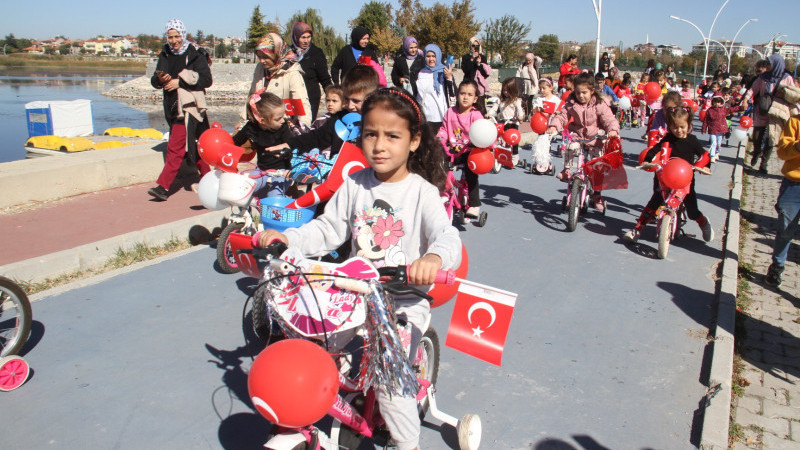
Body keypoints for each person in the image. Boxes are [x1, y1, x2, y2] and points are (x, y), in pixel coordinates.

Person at [256, 87, 461, 450]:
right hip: (351, 294)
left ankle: (407, 443)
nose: (379, 145)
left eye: (392, 136)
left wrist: (433, 260)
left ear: (413, 141)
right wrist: (291, 241)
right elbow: (328, 229)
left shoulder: (422, 193)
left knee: (389, 382)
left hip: (401, 300)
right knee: (313, 348)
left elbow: (447, 236)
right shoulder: (354, 184)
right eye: (371, 134)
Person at [623, 106, 713, 243]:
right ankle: (637, 229)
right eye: (674, 127)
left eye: (682, 127)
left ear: (688, 125)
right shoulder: (667, 139)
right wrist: (647, 160)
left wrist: (706, 167)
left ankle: (703, 223)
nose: (679, 130)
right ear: (670, 126)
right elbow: (654, 150)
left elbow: (704, 155)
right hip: (667, 178)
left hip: (686, 181)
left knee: (692, 210)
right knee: (654, 202)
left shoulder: (692, 140)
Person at [147, 18, 212, 202]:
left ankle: (163, 187)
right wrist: (160, 80)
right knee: (197, 146)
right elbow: (154, 80)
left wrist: (179, 82)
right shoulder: (165, 54)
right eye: (170, 37)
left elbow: (206, 80)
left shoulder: (195, 54)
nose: (174, 40)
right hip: (172, 106)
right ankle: (209, 179)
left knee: (175, 147)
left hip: (189, 108)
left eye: (177, 36)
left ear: (183, 35)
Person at [266, 64, 381, 158]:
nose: (350, 106)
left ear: (371, 97)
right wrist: (289, 145)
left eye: (356, 101)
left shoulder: (380, 122)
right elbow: (316, 137)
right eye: (346, 99)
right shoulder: (339, 119)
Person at [547, 73, 620, 210]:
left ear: (592, 91)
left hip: (595, 138)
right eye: (578, 92)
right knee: (570, 146)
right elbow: (562, 117)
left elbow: (609, 119)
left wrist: (613, 130)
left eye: (584, 92)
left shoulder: (599, 104)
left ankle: (597, 195)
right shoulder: (571, 103)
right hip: (578, 135)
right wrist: (554, 126)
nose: (581, 96)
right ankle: (567, 170)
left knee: (597, 165)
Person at [437, 80, 485, 218]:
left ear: (475, 99)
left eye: (470, 95)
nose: (465, 97)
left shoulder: (475, 115)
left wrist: (475, 143)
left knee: (471, 174)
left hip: (469, 151)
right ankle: (443, 192)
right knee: (439, 165)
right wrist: (440, 137)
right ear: (457, 95)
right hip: (453, 150)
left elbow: (481, 132)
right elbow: (444, 129)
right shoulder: (450, 112)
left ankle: (475, 203)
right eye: (462, 93)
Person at [232, 91, 294, 197]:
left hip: (282, 171)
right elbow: (234, 142)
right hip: (262, 170)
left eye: (283, 116)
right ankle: (246, 212)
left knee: (274, 195)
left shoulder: (283, 128)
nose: (282, 120)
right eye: (278, 118)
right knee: (243, 189)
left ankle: (281, 209)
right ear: (262, 120)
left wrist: (288, 154)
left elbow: (292, 145)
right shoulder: (251, 127)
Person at [246, 33, 313, 128]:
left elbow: (301, 104)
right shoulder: (260, 69)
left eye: (265, 57)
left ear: (276, 54)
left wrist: (303, 129)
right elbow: (251, 96)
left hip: (281, 127)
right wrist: (244, 120)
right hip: (260, 124)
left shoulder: (291, 72)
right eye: (259, 57)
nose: (262, 61)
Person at [763, 115, 800, 287]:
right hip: (794, 185)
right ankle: (777, 266)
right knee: (786, 228)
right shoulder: (795, 122)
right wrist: (797, 146)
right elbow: (782, 152)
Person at [744, 54, 795, 173]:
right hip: (762, 109)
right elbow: (752, 89)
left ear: (776, 64)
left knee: (771, 139)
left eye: (769, 64)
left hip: (777, 112)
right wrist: (746, 99)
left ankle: (764, 163)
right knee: (757, 136)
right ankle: (756, 152)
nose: (767, 66)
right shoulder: (763, 77)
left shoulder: (787, 78)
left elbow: (793, 95)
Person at [290, 22, 333, 121]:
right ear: (296, 37)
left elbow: (325, 78)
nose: (306, 41)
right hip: (293, 99)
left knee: (306, 127)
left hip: (311, 98)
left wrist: (331, 94)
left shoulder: (316, 53)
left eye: (308, 37)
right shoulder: (289, 53)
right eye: (303, 37)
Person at [411, 44, 454, 134]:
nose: (431, 59)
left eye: (433, 56)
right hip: (424, 117)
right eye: (428, 56)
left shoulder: (444, 71)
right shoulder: (420, 72)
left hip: (441, 117)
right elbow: (415, 93)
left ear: (438, 56)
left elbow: (453, 94)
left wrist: (449, 78)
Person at [488, 77, 525, 166]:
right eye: (504, 90)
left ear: (512, 90)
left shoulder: (516, 100)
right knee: (499, 138)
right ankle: (499, 153)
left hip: (512, 122)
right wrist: (489, 114)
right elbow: (494, 108)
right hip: (502, 122)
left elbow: (519, 110)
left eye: (507, 90)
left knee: (513, 140)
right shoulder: (500, 100)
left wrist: (520, 116)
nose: (505, 92)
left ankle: (515, 154)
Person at [702, 95, 742, 162]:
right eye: (715, 102)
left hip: (720, 129)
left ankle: (717, 152)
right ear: (713, 102)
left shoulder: (723, 109)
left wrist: (741, 108)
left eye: (718, 102)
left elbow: (732, 109)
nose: (717, 104)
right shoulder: (710, 110)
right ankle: (712, 155)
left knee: (718, 143)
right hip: (712, 129)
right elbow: (706, 120)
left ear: (721, 103)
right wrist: (704, 128)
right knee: (713, 143)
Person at [460, 37, 491, 111]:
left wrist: (479, 64)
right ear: (470, 46)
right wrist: (472, 59)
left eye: (477, 46)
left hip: (479, 86)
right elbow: (466, 70)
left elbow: (485, 74)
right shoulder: (466, 57)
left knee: (481, 107)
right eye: (473, 45)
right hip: (469, 83)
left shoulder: (482, 57)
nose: (475, 48)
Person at [516, 52, 539, 120]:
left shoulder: (535, 65)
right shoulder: (523, 65)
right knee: (523, 100)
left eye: (529, 60)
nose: (528, 62)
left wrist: (535, 58)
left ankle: (528, 114)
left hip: (531, 85)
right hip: (523, 84)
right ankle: (524, 113)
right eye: (527, 60)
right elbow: (518, 73)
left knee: (529, 100)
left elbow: (539, 60)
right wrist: (518, 81)